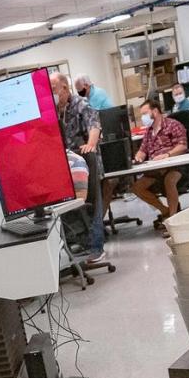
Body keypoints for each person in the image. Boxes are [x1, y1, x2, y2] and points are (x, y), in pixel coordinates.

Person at [50, 72, 108, 264]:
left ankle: (96, 248)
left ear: (65, 88)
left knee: (93, 205)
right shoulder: (53, 111)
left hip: (86, 162)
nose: (52, 94)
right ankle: (80, 243)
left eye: (54, 89)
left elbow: (94, 125)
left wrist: (90, 144)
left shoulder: (81, 104)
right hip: (66, 167)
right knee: (72, 208)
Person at [130, 98, 189, 230]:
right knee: (136, 187)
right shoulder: (148, 132)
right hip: (155, 170)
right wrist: (138, 157)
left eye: (145, 114)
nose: (143, 118)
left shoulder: (173, 125)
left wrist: (167, 155)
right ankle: (165, 211)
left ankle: (173, 222)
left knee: (169, 180)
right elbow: (142, 151)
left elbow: (182, 145)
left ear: (155, 111)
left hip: (174, 167)